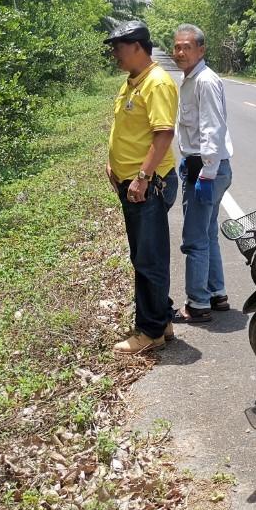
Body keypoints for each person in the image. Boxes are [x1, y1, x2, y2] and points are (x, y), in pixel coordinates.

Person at [105, 19, 180, 356]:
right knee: (145, 254)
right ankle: (161, 321)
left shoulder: (157, 82)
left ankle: (149, 331)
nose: (115, 54)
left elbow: (163, 134)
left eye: (118, 48)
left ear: (137, 46)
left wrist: (142, 176)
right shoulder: (132, 82)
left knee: (148, 258)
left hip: (148, 185)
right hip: (133, 183)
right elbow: (125, 127)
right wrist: (113, 163)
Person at [171, 24, 234, 322]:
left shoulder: (205, 81)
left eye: (187, 47)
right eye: (177, 47)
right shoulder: (190, 79)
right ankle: (216, 293)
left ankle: (197, 304)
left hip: (205, 168)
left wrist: (205, 174)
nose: (180, 52)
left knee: (195, 238)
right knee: (208, 233)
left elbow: (213, 129)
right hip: (203, 166)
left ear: (201, 49)